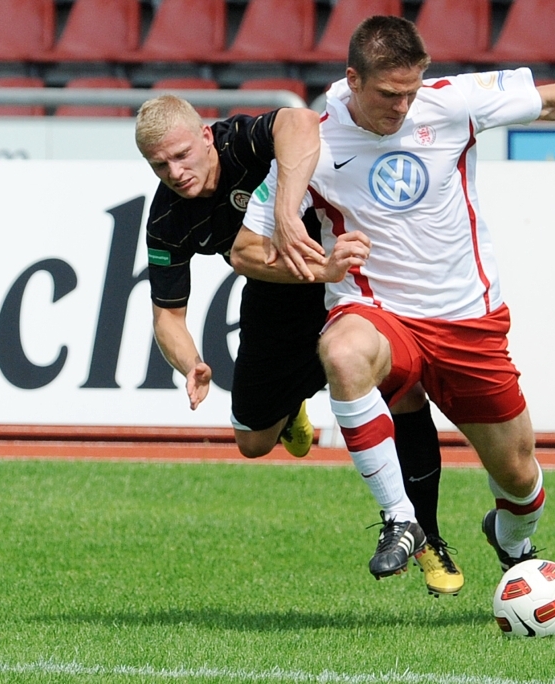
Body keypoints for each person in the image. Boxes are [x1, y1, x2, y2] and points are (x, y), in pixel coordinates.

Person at [239, 15, 555, 576]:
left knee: (520, 474)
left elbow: (549, 101)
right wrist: (322, 271)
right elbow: (245, 250)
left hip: (467, 319)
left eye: (410, 92)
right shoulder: (312, 139)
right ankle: (402, 519)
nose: (401, 107)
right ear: (352, 79)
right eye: (387, 94)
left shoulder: (449, 103)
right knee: (344, 354)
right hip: (379, 313)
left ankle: (511, 539)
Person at [135, 95, 464, 596]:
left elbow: (298, 120)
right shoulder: (168, 219)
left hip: (353, 279)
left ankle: (428, 538)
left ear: (206, 136)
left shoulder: (240, 142)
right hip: (278, 298)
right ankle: (291, 409)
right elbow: (167, 316)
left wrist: (285, 209)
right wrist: (192, 363)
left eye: (182, 155)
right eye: (160, 165)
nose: (175, 172)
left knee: (405, 393)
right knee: (252, 442)